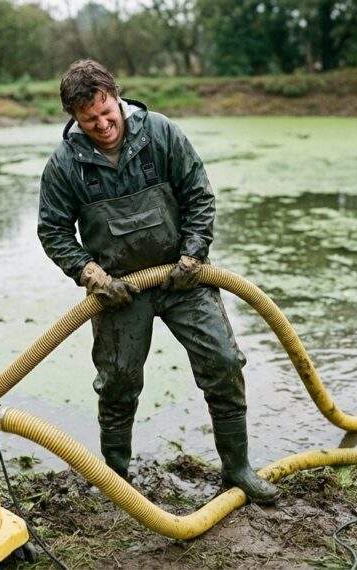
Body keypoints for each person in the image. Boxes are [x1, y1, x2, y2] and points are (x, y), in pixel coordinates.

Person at [37, 59, 279, 503]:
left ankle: (238, 469)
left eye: (107, 112)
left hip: (183, 277)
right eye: (89, 119)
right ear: (74, 116)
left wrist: (194, 254)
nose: (103, 124)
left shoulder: (162, 133)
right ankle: (116, 477)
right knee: (118, 382)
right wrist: (92, 275)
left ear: (116, 97)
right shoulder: (65, 164)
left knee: (223, 362)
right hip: (118, 291)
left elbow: (199, 195)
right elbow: (53, 231)